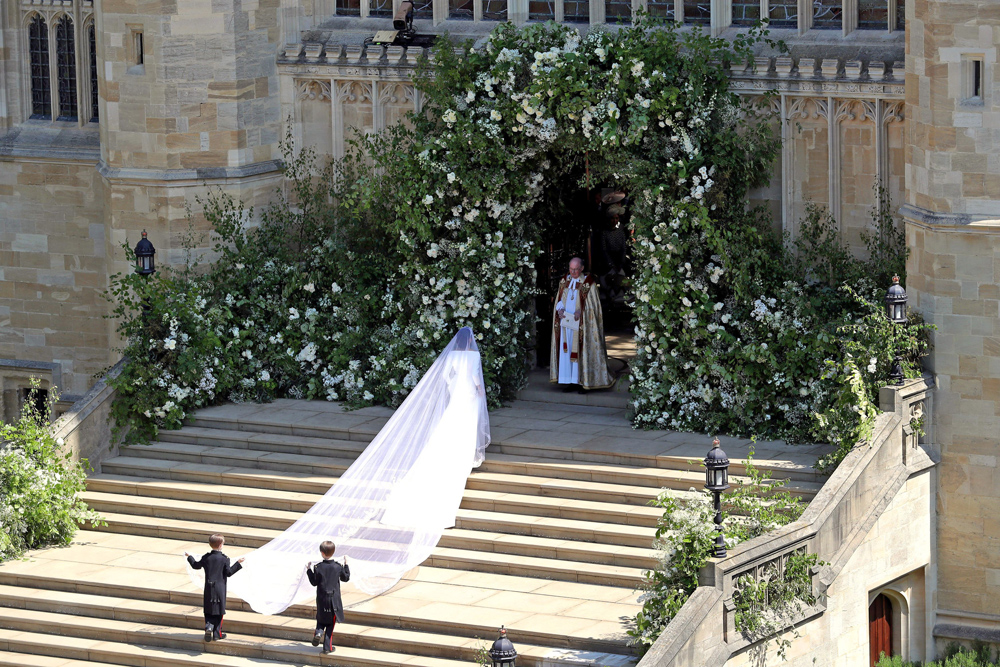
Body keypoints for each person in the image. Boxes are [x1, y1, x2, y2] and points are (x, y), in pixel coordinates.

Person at [550, 257, 614, 392]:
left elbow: (593, 307)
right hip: (566, 324)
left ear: (582, 268)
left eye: (576, 269)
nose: (573, 272)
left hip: (582, 326)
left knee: (581, 351)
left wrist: (582, 312)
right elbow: (559, 299)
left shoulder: (588, 283)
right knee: (567, 353)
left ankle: (583, 381)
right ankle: (570, 381)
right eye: (571, 269)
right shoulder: (564, 281)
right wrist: (560, 309)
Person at [185, 534, 244, 642]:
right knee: (219, 610)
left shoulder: (206, 557)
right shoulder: (224, 559)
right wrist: (238, 563)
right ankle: (217, 634)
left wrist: (190, 557)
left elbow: (195, 565)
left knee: (208, 608)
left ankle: (208, 626)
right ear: (221, 545)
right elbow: (229, 572)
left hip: (209, 587)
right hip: (219, 589)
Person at [307, 541, 351, 654]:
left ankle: (318, 632)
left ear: (322, 553)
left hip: (322, 599)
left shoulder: (318, 567)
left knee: (321, 618)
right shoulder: (337, 567)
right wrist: (346, 565)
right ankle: (327, 647)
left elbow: (314, 582)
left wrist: (309, 570)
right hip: (334, 600)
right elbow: (345, 578)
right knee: (331, 623)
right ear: (333, 552)